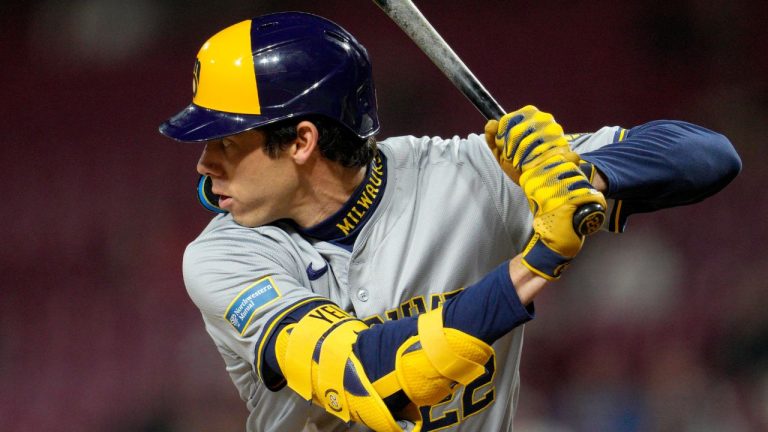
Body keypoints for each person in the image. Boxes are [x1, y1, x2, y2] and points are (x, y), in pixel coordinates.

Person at [159, 12, 740, 432]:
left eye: (227, 142)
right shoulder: (222, 257)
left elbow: (709, 155)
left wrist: (582, 177)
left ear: (302, 141)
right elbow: (370, 383)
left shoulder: (471, 173)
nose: (205, 163)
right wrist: (538, 261)